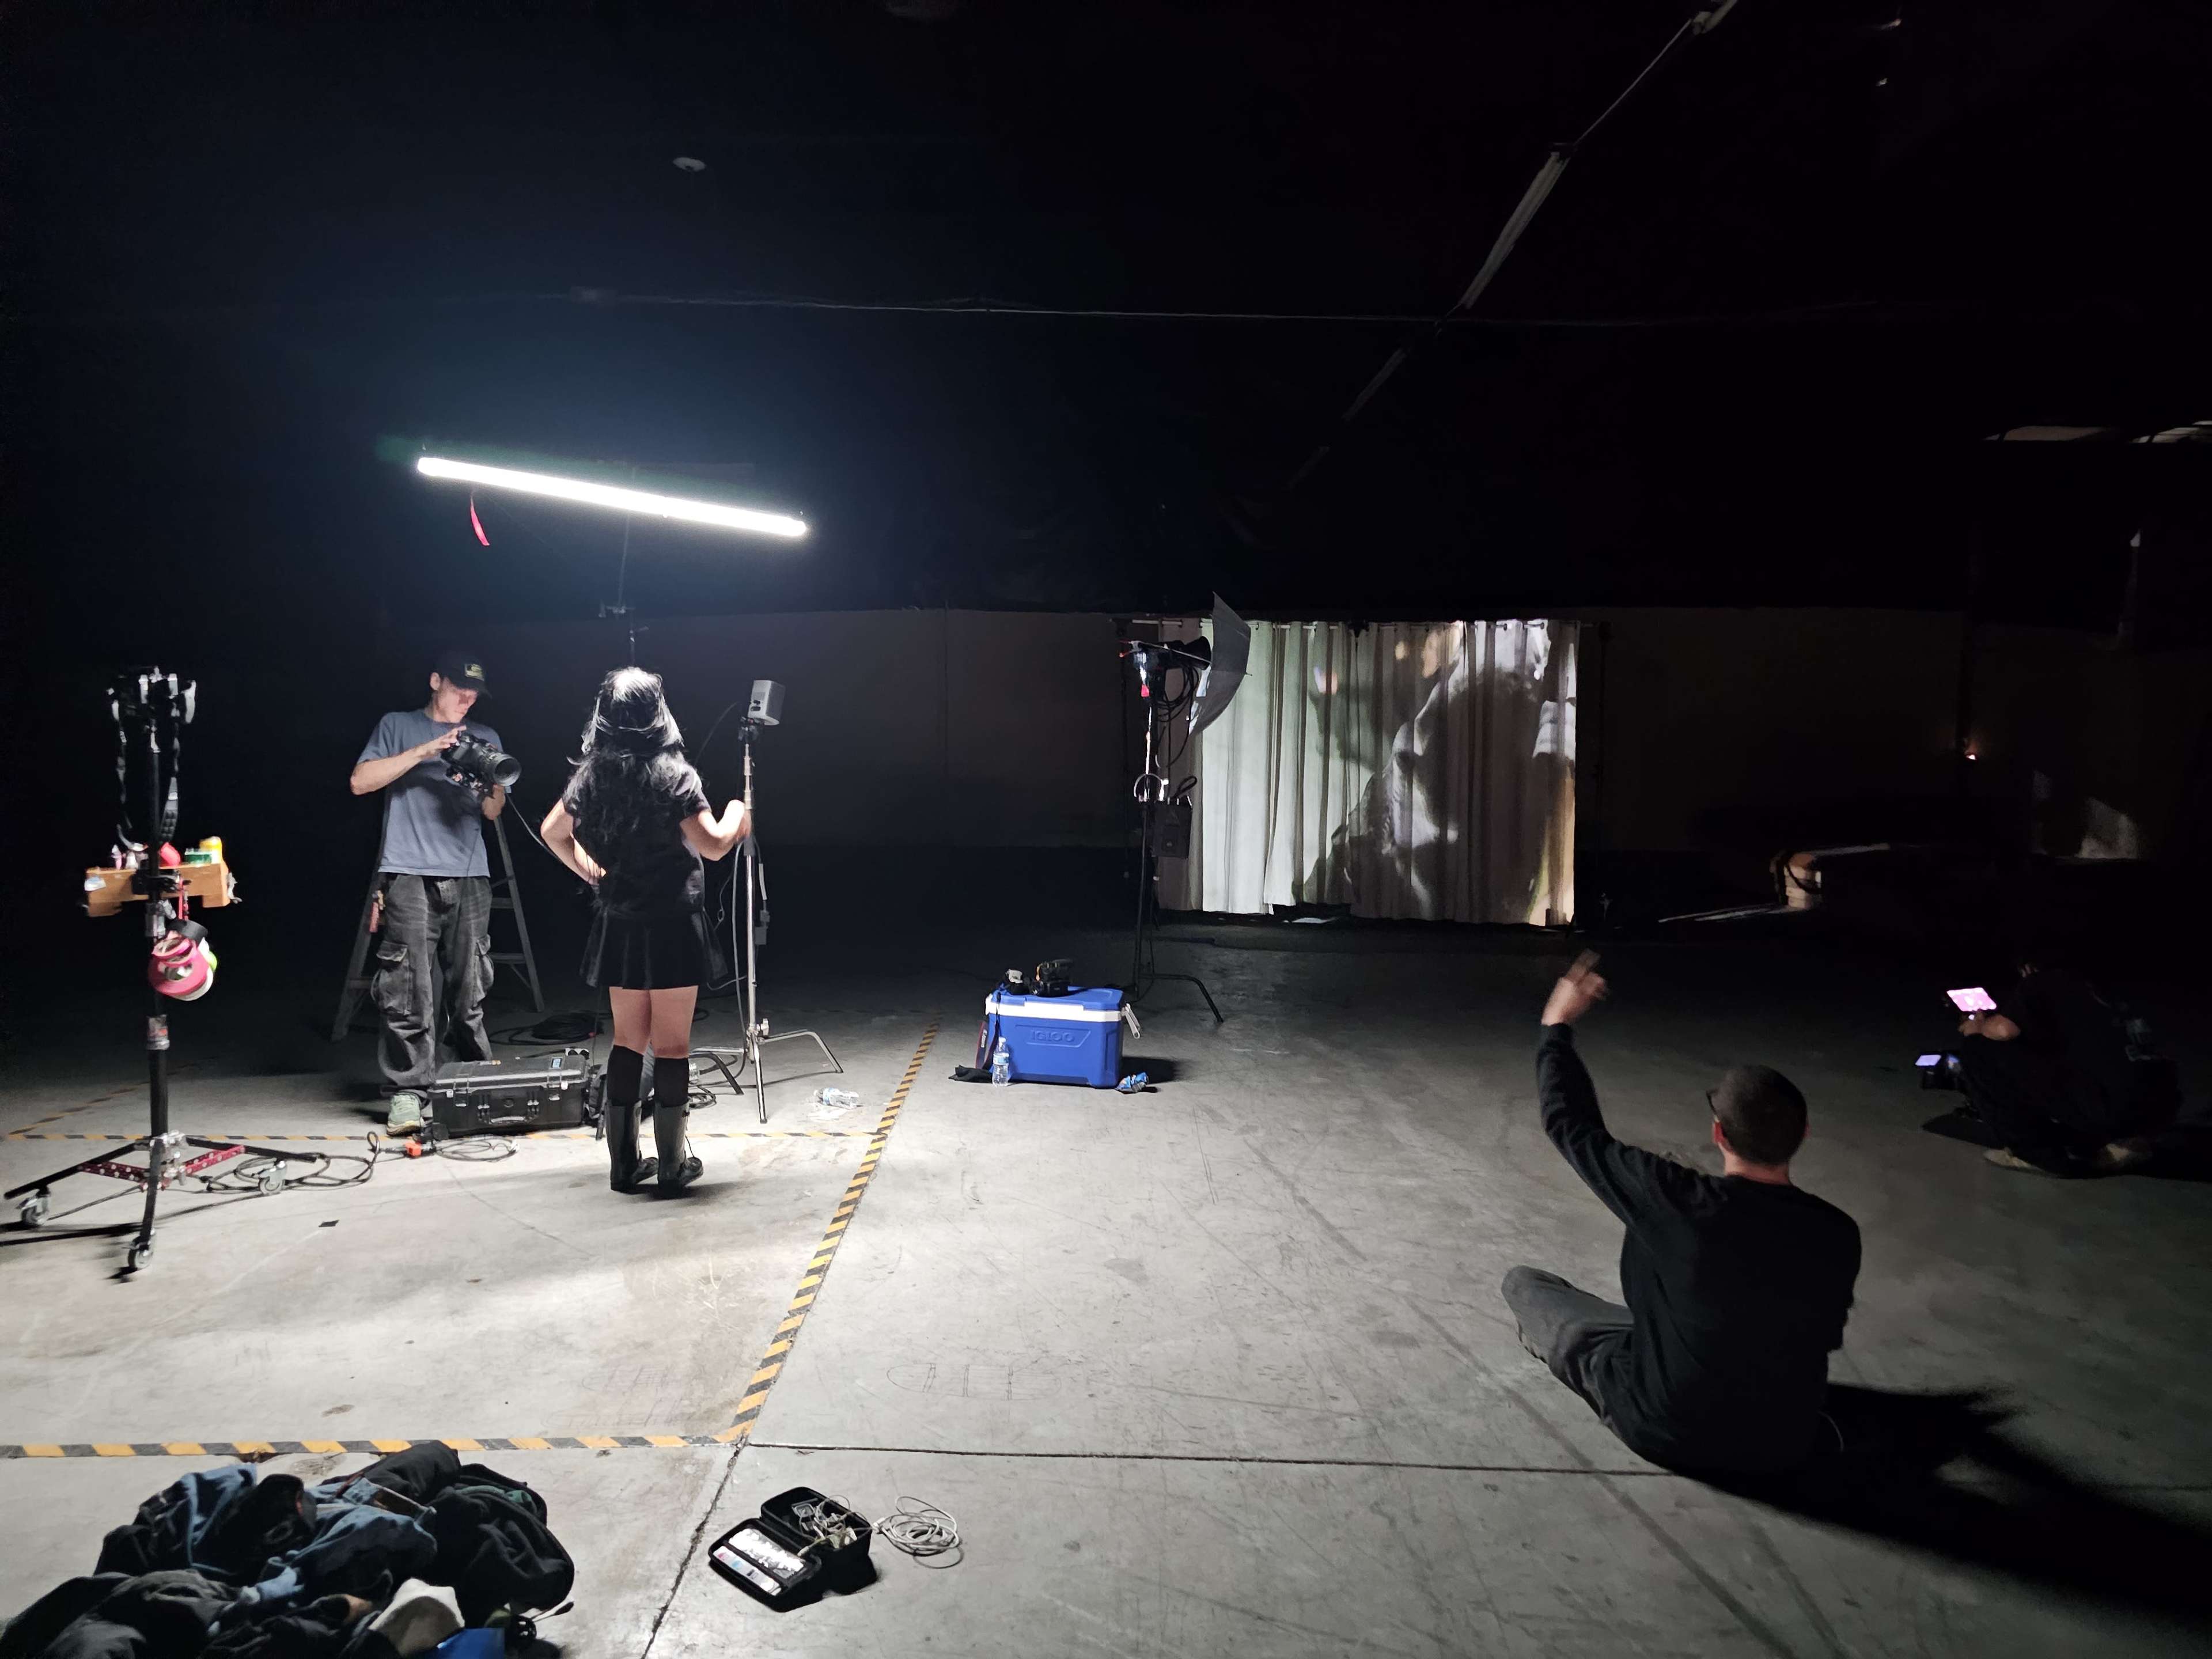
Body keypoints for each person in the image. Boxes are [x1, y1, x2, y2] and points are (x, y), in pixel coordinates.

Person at [1501, 952, 1862, 1478]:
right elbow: (1821, 1336)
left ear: (1719, 1134)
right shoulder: (1837, 1231)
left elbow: (1570, 1125)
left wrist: (1556, 1026)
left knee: (1528, 1287)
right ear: (1802, 1137)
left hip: (1668, 1429)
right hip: (1786, 1440)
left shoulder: (1676, 1200)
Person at [540, 668, 748, 1194]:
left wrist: (590, 869)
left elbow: (552, 833)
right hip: (674, 923)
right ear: (657, 712)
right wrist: (739, 812)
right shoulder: (674, 775)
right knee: (673, 1046)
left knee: (628, 1042)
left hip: (622, 924)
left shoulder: (593, 776)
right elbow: (716, 845)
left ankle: (623, 1166)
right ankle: (674, 1165)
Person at [350, 649, 507, 1134]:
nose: (468, 698)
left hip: (470, 874)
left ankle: (473, 1081)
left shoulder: (486, 737)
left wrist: (484, 782)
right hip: (408, 872)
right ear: (435, 681)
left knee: (470, 987)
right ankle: (409, 1092)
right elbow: (360, 782)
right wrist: (427, 751)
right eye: (460, 687)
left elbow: (495, 811)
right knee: (408, 989)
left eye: (475, 692)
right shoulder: (397, 725)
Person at [1957, 949, 2162, 1175]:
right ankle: (2128, 1141)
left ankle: (2032, 1154)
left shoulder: (2042, 981)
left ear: (2029, 967)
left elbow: (2004, 1031)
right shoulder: (2101, 984)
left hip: (2109, 1108)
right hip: (2156, 1106)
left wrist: (1977, 1028)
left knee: (1978, 1050)